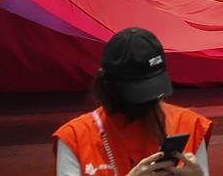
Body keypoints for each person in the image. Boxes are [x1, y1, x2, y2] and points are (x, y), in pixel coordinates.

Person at [53, 27, 214, 176]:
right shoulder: (74, 137)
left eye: (152, 88)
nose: (148, 100)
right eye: (138, 91)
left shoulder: (190, 125)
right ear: (106, 82)